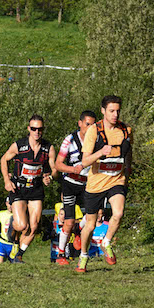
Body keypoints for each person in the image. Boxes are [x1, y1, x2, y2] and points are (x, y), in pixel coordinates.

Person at [75, 95, 132, 273]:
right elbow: (84, 161)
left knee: (118, 213)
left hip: (116, 180)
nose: (115, 115)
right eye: (111, 111)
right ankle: (83, 255)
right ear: (103, 111)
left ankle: (106, 242)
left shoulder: (126, 130)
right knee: (90, 225)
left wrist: (128, 170)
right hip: (96, 184)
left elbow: (129, 151)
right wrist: (100, 152)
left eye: (118, 111)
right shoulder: (94, 131)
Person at [0, 114, 57, 263]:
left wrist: (50, 177)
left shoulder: (48, 148)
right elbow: (4, 159)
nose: (37, 132)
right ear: (28, 129)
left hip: (36, 189)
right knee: (22, 225)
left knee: (34, 226)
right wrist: (6, 180)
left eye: (40, 129)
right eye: (33, 129)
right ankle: (13, 227)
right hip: (18, 188)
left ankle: (18, 255)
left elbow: (54, 169)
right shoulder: (19, 146)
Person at [53, 110, 97, 265]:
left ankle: (79, 230)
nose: (90, 128)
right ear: (80, 123)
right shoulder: (70, 140)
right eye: (87, 124)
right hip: (70, 183)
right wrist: (73, 169)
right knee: (69, 221)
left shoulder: (97, 140)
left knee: (95, 214)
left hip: (88, 184)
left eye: (93, 125)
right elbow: (58, 165)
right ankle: (60, 254)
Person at [0, 197, 16, 263]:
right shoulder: (1, 213)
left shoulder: (17, 215)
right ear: (6, 203)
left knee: (14, 264)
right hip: (2, 243)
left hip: (13, 244)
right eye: (9, 203)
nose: (10, 206)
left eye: (12, 204)